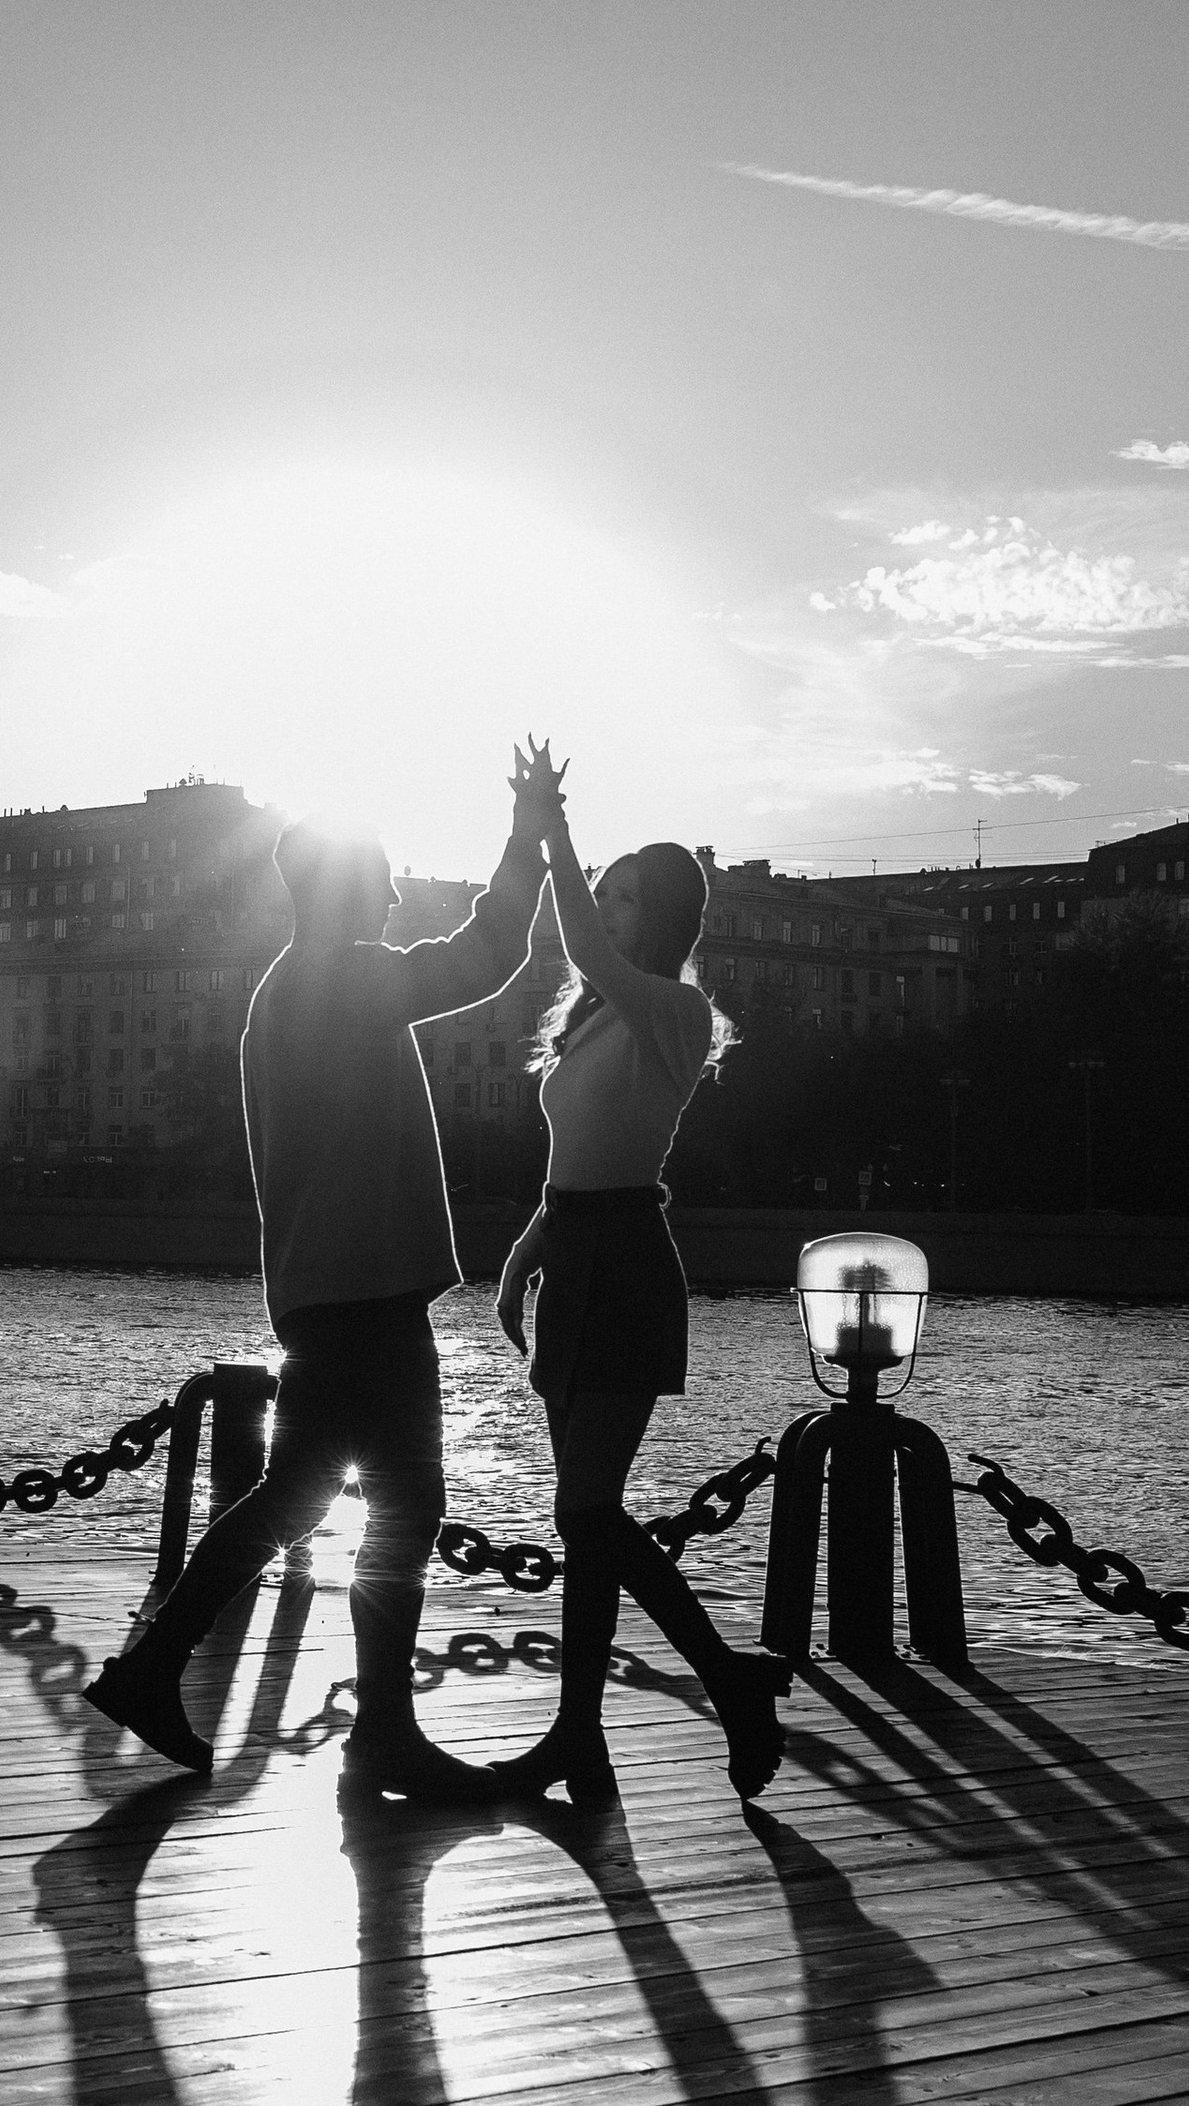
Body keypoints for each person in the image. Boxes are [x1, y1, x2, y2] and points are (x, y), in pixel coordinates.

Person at [86, 770, 552, 1804]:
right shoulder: (343, 980)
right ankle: (373, 1731)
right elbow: (488, 954)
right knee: (400, 1501)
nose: (390, 900)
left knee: (303, 1496)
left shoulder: (288, 988)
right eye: (380, 883)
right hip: (367, 1290)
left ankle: (157, 1671)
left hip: (327, 1286)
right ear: (343, 895)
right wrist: (527, 835)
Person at [489, 744, 791, 1801]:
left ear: (660, 917)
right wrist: (524, 1255)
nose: (604, 910)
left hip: (621, 1263)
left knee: (584, 1510)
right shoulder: (594, 1018)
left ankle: (720, 1682)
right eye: (601, 894)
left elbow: (572, 937)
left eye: (623, 896)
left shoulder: (674, 1012)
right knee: (583, 1517)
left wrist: (551, 827)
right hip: (576, 1250)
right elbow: (577, 1158)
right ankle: (585, 1733)